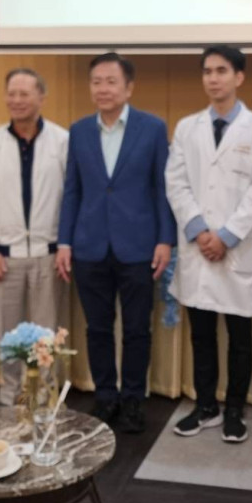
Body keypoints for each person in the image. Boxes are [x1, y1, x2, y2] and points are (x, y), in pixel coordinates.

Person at [56, 53, 176, 434]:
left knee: (138, 329)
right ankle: (106, 395)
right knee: (98, 328)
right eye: (96, 82)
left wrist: (165, 239)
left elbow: (161, 188)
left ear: (129, 87)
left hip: (139, 246)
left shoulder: (152, 128)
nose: (103, 89)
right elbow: (72, 190)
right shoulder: (79, 131)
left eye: (111, 81)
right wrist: (64, 241)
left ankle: (134, 399)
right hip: (89, 245)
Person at [165, 46, 252, 443]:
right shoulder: (187, 127)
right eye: (208, 71)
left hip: (235, 249)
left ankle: (234, 410)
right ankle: (205, 406)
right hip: (198, 247)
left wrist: (226, 236)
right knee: (201, 335)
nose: (213, 78)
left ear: (239, 77)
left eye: (222, 70)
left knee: (239, 337)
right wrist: (199, 230)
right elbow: (176, 182)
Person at [0, 68, 69, 406]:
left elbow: (70, 197)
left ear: (41, 97)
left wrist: (65, 244)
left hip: (48, 252)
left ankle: (45, 393)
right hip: (4, 254)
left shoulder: (61, 140)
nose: (16, 100)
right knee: (8, 331)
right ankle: (11, 393)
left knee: (47, 332)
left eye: (25, 94)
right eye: (11, 93)